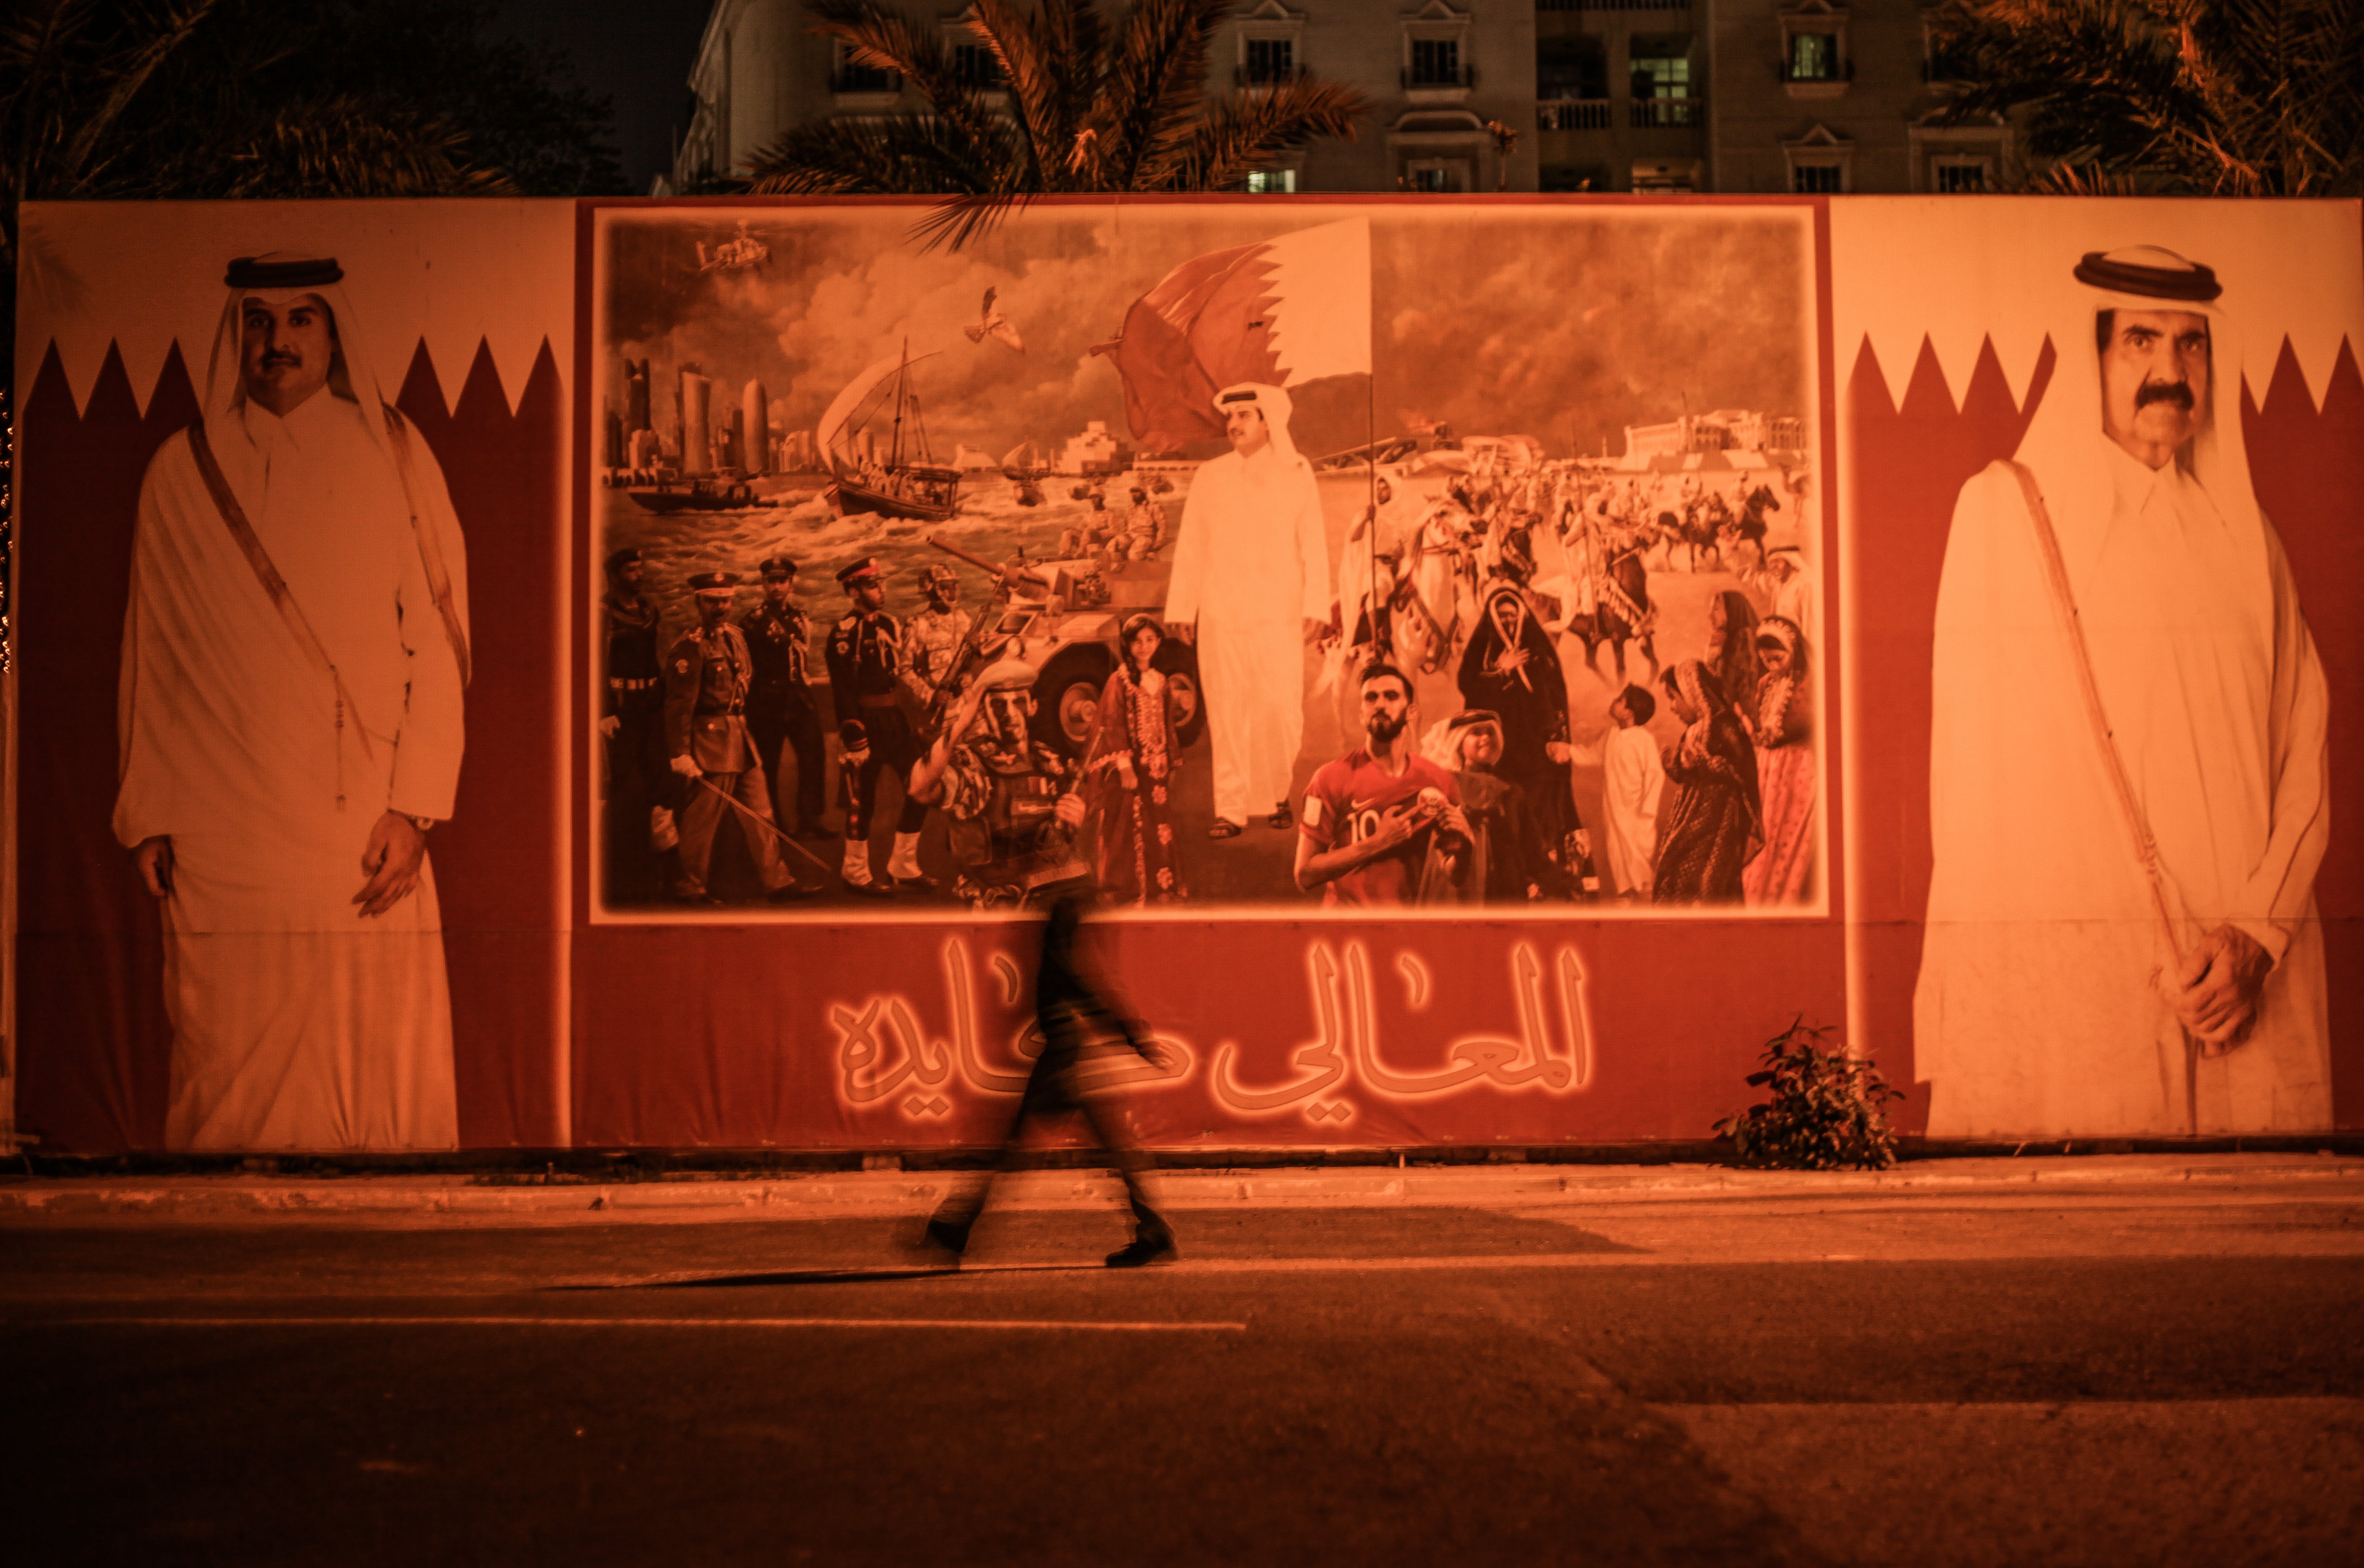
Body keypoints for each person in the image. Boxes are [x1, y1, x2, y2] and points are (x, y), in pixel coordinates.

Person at [1915, 244, 2330, 1137]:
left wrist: (2255, 938)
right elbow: (1977, 794)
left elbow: (2306, 750)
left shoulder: (2246, 540)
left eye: (2190, 346)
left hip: (2244, 983)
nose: (2167, 372)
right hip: (2081, 995)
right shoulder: (2002, 517)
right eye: (2138, 340)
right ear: (2090, 358)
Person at [115, 251, 469, 1149]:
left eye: (302, 318)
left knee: (366, 1038)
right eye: (258, 321)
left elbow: (434, 642)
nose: (278, 341)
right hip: (220, 827)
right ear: (234, 333)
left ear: (334, 331)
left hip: (357, 820)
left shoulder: (392, 452)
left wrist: (415, 807)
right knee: (225, 1040)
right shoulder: (179, 472)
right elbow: (153, 648)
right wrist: (150, 810)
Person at [923, 893, 1179, 1269]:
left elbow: (1092, 999)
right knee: (1109, 1146)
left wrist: (1135, 1039)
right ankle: (1152, 1227)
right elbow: (1095, 999)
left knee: (1012, 1149)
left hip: (1061, 1063)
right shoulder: (1061, 956)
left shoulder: (1056, 957)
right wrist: (1134, 1038)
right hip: (1066, 1060)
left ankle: (957, 1227)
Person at [1165, 382, 1336, 838]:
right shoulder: (1210, 476)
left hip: (1278, 612)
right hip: (1222, 612)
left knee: (1279, 707)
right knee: (1227, 707)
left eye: (1244, 415)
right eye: (1230, 416)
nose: (1234, 424)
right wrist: (1183, 605)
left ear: (1268, 421)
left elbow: (1313, 546)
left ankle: (1277, 794)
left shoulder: (1296, 472)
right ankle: (1232, 808)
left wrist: (1315, 603)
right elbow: (1192, 546)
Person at [663, 573, 813, 906]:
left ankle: (777, 881)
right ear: (698, 602)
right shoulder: (690, 646)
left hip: (741, 737)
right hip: (709, 741)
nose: (721, 608)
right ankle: (691, 885)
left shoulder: (737, 637)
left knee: (762, 813)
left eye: (726, 600)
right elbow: (679, 706)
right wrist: (680, 753)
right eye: (712, 601)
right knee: (703, 820)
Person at [907, 658, 1087, 907]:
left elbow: (1062, 844)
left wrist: (1075, 821)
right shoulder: (973, 766)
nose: (1010, 714)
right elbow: (920, 789)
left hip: (1046, 895)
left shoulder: (1050, 762)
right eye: (999, 705)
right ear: (983, 711)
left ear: (1033, 706)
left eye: (1019, 703)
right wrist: (959, 726)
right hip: (993, 902)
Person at [1296, 663, 1471, 907]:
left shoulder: (1438, 779)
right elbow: (1304, 874)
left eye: (1391, 696)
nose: (1380, 705)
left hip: (1406, 930)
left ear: (1411, 712)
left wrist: (1464, 850)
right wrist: (1377, 843)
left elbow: (1454, 874)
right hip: (1346, 928)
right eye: (1371, 698)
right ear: (1361, 714)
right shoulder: (1329, 778)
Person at [1457, 582, 1579, 879]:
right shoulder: (1482, 654)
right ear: (1493, 618)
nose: (1510, 622)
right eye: (1503, 616)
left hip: (1540, 752)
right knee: (1507, 816)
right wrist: (1501, 671)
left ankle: (1545, 875)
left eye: (1514, 615)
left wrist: (1560, 739)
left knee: (1544, 814)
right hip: (1501, 754)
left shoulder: (1538, 649)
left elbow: (1556, 696)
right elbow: (1471, 697)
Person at [825, 557, 927, 897]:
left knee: (921, 789)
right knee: (862, 804)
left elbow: (902, 671)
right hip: (865, 723)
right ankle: (855, 872)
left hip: (894, 721)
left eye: (881, 584)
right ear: (854, 593)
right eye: (872, 586)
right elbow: (842, 691)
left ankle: (904, 867)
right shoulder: (843, 634)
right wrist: (855, 735)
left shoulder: (891, 624)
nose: (881, 591)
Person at [1081, 614, 1188, 906]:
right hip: (1130, 769)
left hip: (1156, 770)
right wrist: (1125, 767)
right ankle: (1125, 890)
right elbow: (1111, 725)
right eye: (1137, 641)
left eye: (1150, 640)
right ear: (1128, 645)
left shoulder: (1161, 682)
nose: (1144, 647)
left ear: (1158, 643)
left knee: (1158, 825)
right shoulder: (1120, 681)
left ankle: (1158, 887)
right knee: (1126, 826)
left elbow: (1167, 726)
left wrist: (1170, 760)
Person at [1651, 661, 1761, 905]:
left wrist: (1704, 763)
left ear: (1692, 693)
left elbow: (1743, 773)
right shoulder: (1693, 730)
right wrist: (1673, 762)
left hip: (1720, 821)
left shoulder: (1725, 727)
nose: (1672, 707)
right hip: (1689, 816)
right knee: (1675, 868)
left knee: (1708, 882)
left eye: (1673, 698)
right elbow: (1684, 773)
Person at [739, 556, 827, 840]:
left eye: (782, 581)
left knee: (814, 756)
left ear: (791, 584)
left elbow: (802, 660)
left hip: (797, 697)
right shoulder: (751, 623)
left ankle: (809, 818)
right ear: (763, 585)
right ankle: (774, 822)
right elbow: (744, 667)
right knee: (768, 763)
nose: (776, 587)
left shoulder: (799, 618)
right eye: (771, 582)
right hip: (766, 700)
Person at [600, 546, 670, 900]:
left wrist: (659, 695)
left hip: (647, 704)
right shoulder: (603, 613)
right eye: (631, 570)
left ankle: (661, 858)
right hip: (620, 707)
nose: (639, 575)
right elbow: (595, 661)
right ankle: (604, 857)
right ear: (614, 576)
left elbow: (653, 657)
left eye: (641, 569)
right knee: (616, 782)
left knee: (660, 779)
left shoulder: (649, 610)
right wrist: (603, 710)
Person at [1439, 710, 1557, 903]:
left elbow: (1534, 854)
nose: (1486, 737)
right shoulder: (1448, 789)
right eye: (1476, 732)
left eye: (1490, 732)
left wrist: (1565, 884)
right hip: (1463, 897)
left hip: (1508, 895)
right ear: (1459, 744)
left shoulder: (1512, 792)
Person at [1742, 617, 1815, 906]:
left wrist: (1773, 736)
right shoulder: (1766, 683)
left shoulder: (1808, 684)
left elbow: (1807, 722)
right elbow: (1762, 720)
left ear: (1794, 651)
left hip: (1798, 766)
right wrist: (1757, 733)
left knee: (1787, 830)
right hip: (1768, 767)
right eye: (1765, 658)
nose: (1771, 663)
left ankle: (1781, 893)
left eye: (1778, 657)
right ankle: (1758, 890)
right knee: (1765, 828)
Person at [1601, 684, 1666, 901]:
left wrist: (1648, 809)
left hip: (1636, 810)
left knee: (1637, 851)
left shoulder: (1644, 739)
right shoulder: (1612, 735)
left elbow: (1655, 775)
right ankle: (1625, 893)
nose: (1615, 701)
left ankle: (1645, 891)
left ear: (1629, 713)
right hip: (1613, 806)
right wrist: (1570, 752)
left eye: (1620, 700)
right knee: (1617, 849)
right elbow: (1596, 755)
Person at [1703, 589, 1760, 719]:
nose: (1710, 615)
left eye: (1716, 610)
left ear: (1731, 611)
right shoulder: (1723, 640)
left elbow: (1742, 697)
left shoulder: (1746, 642)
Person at [1764, 545, 1815, 647]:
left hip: (1800, 645)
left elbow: (1809, 625)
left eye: (1778, 562)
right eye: (1772, 562)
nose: (1774, 566)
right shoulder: (1778, 585)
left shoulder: (1804, 585)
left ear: (1791, 563)